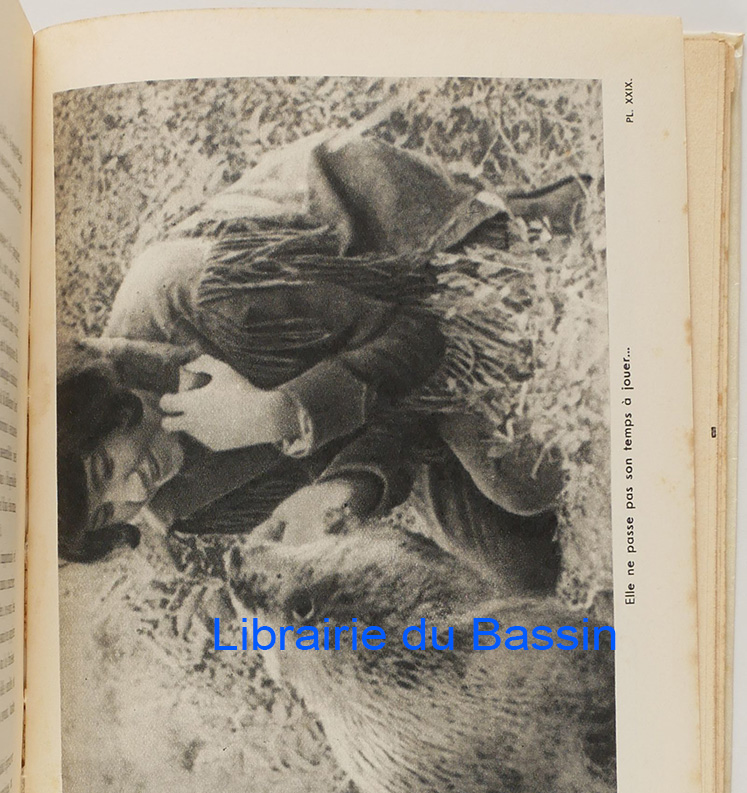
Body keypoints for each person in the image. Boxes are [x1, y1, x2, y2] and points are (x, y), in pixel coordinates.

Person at [58, 133, 584, 590]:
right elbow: (364, 434)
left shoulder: (185, 297)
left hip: (384, 255)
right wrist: (342, 489)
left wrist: (276, 414)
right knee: (524, 570)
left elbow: (422, 330)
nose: (135, 491)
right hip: (376, 385)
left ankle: (513, 231)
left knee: (519, 480)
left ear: (96, 406)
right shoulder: (180, 505)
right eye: (107, 513)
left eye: (105, 468)